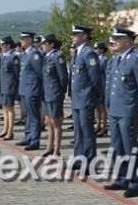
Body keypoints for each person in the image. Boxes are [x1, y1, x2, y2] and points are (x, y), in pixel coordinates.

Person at [103, 27, 138, 198]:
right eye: (113, 38)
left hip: (128, 110)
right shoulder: (115, 59)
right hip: (115, 110)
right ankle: (122, 178)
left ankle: (134, 182)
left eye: (117, 38)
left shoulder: (136, 59)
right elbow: (110, 85)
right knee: (117, 147)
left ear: (129, 41)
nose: (113, 41)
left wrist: (137, 108)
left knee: (130, 148)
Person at [69, 24, 103, 168]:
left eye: (76, 34)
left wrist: (96, 95)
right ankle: (79, 158)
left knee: (87, 131)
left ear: (84, 36)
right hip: (77, 98)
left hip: (86, 97)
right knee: (78, 131)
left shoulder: (89, 53)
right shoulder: (78, 53)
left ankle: (89, 161)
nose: (72, 36)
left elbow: (95, 77)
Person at [39, 34, 68, 157]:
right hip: (47, 94)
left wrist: (60, 93)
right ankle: (49, 147)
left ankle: (57, 149)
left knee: (56, 123)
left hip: (54, 94)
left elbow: (63, 77)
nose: (42, 46)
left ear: (51, 44)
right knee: (48, 122)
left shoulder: (58, 57)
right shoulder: (46, 57)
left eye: (44, 43)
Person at [17, 31, 44, 150]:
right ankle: (28, 136)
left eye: (23, 38)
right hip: (25, 89)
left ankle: (34, 140)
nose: (21, 40)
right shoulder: (26, 54)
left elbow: (40, 73)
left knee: (33, 116)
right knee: (28, 115)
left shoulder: (34, 54)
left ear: (29, 40)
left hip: (32, 89)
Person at [0, 36, 20, 140]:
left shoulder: (13, 57)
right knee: (4, 108)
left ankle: (10, 132)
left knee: (10, 109)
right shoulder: (4, 56)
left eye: (3, 45)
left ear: (8, 45)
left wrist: (15, 88)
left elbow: (16, 74)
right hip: (3, 86)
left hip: (9, 86)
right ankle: (5, 129)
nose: (1, 47)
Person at [94, 42, 109, 137]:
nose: (95, 50)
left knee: (103, 108)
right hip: (96, 86)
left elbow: (107, 74)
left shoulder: (105, 60)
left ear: (102, 50)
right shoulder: (95, 59)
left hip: (103, 86)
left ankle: (104, 127)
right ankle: (98, 125)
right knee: (97, 107)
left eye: (97, 48)